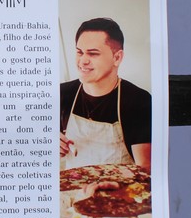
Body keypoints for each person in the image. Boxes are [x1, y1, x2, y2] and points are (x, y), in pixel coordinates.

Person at [59, 17, 151, 169]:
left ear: (117, 57)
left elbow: (145, 169)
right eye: (79, 52)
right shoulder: (62, 93)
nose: (83, 61)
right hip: (75, 183)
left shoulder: (138, 101)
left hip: (122, 183)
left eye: (93, 53)